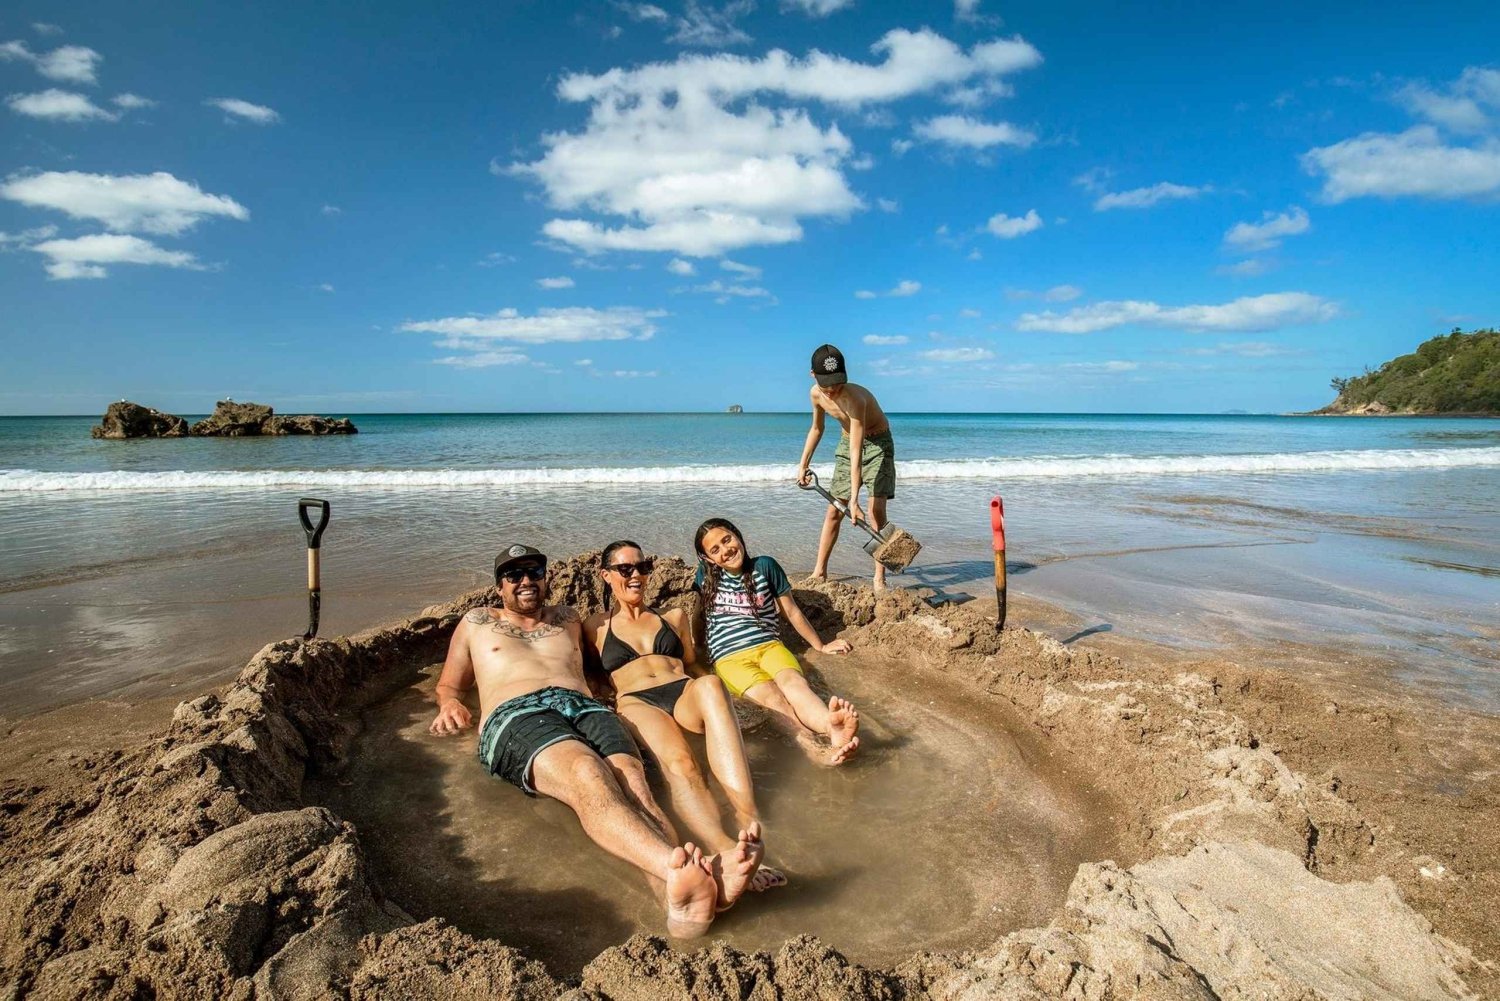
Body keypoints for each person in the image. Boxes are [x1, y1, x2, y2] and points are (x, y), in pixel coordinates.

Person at [427, 543, 764, 937]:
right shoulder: (477, 621)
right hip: (518, 713)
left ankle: (684, 907)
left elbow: (610, 666)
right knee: (588, 771)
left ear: (546, 577)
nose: (525, 581)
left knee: (637, 788)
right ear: (499, 585)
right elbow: (449, 684)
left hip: (585, 708)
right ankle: (685, 871)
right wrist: (450, 704)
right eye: (514, 575)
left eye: (534, 571)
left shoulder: (569, 619)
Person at [584, 540, 787, 893]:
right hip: (636, 702)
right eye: (626, 569)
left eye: (642, 567)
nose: (636, 575)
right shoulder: (594, 627)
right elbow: (587, 675)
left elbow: (692, 663)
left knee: (709, 683)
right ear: (606, 575)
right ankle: (721, 845)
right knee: (682, 762)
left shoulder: (673, 617)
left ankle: (748, 816)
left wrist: (734, 692)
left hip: (681, 691)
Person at [693, 518, 861, 766]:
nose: (725, 550)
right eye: (714, 549)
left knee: (795, 685)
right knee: (772, 698)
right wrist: (697, 648)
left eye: (727, 539)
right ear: (708, 559)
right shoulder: (705, 577)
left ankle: (830, 724)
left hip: (769, 646)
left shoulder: (765, 566)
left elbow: (791, 612)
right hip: (729, 658)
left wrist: (821, 645)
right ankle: (811, 746)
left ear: (738, 536)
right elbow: (698, 614)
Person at [795, 343, 897, 590]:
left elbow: (857, 450)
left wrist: (854, 500)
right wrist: (803, 464)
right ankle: (819, 572)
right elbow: (817, 429)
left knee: (875, 511)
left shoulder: (854, 399)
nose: (831, 390)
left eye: (837, 383)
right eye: (826, 384)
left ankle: (879, 577)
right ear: (813, 375)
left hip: (877, 444)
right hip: (846, 441)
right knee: (833, 511)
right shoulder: (815, 394)